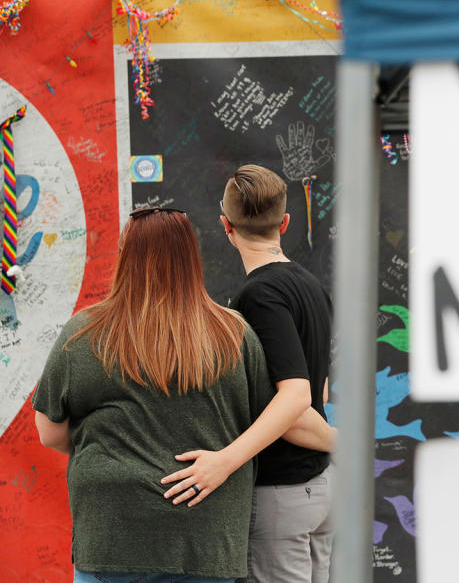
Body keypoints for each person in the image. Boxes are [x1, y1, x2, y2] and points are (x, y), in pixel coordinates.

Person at [33, 207, 274, 583]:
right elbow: (267, 420)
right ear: (191, 258)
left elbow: (49, 432)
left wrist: (109, 450)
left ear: (125, 257)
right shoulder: (235, 334)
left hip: (112, 538)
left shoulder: (83, 333)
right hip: (208, 540)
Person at [160, 165, 336, 583]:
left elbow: (296, 399)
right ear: (285, 222)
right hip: (319, 490)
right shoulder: (312, 286)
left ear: (225, 226)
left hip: (283, 497)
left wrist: (224, 461)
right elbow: (320, 390)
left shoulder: (257, 296)